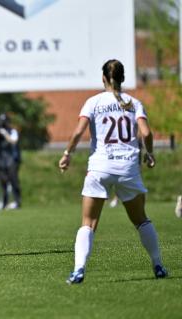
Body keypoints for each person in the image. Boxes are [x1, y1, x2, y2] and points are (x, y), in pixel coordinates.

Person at [58, 59, 168, 284]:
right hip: (128, 167)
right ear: (123, 78)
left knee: (88, 223)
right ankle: (158, 265)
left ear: (103, 78)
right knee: (141, 220)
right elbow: (146, 133)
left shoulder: (93, 102)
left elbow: (79, 131)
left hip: (100, 167)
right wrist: (149, 154)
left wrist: (67, 153)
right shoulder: (133, 103)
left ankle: (79, 269)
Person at [0, 113, 22, 209]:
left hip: (11, 161)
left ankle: (17, 201)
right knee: (3, 183)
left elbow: (13, 141)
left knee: (14, 181)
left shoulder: (12, 131)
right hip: (2, 161)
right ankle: (4, 203)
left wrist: (4, 133)